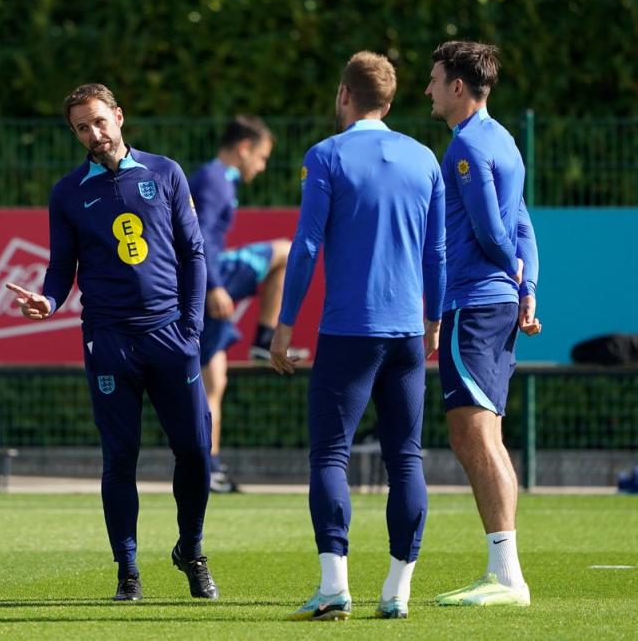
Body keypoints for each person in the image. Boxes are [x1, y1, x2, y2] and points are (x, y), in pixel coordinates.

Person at [5, 83, 218, 602]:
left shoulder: (165, 172)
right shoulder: (69, 192)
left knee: (194, 451)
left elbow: (193, 253)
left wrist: (191, 328)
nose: (94, 134)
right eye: (82, 127)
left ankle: (190, 549)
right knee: (119, 457)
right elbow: (61, 269)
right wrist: (49, 302)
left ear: (119, 117)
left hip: (171, 336)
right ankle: (127, 569)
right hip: (110, 341)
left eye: (100, 121)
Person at [271, 51, 446, 621]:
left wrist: (284, 324)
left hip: (348, 329)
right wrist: (434, 319)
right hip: (405, 332)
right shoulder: (425, 159)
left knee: (329, 454)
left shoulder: (326, 155)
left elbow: (304, 247)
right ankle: (397, 590)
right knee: (406, 458)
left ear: (344, 95)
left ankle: (334, 587)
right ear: (390, 102)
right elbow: (437, 252)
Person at [425, 40, 541, 607]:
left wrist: (516, 282)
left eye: (434, 79)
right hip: (493, 303)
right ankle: (504, 570)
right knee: (481, 432)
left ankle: (507, 577)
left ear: (457, 87)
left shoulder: (467, 146)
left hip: (473, 304)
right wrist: (529, 287)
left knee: (474, 433)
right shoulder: (506, 142)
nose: (427, 90)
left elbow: (495, 231)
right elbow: (524, 224)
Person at [189, 116, 306, 493]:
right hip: (206, 283)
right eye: (262, 156)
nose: (263, 164)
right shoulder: (213, 179)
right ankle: (264, 339)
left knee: (214, 384)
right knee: (286, 252)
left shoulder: (222, 180)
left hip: (204, 286)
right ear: (243, 148)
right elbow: (196, 236)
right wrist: (214, 286)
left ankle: (210, 468)